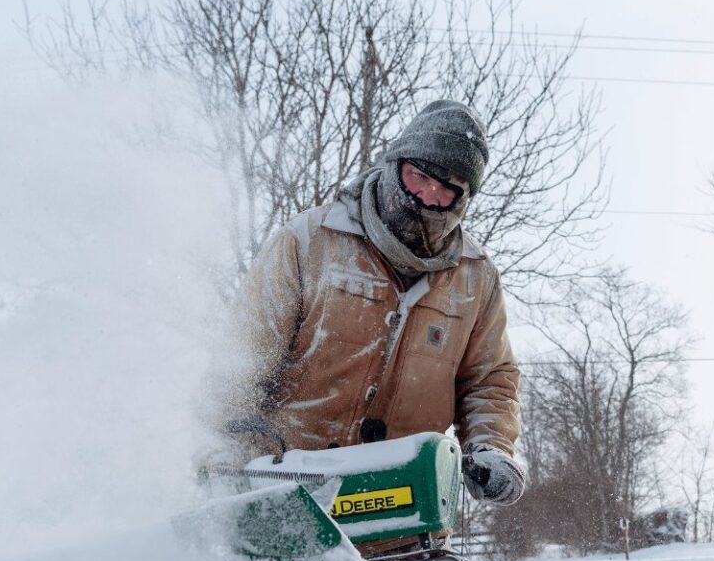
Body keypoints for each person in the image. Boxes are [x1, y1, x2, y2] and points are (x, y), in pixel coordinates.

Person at [224, 99, 526, 517]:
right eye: (418, 176)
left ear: (464, 199)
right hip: (293, 498)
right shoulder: (311, 242)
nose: (427, 196)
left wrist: (490, 445)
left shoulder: (475, 278)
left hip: (406, 506)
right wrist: (234, 444)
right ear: (395, 163)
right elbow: (242, 357)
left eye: (447, 190)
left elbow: (490, 379)